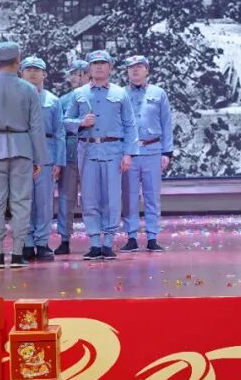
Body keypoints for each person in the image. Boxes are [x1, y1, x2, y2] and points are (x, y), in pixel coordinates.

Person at [0, 41, 48, 270]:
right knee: (21, 202)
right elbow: (36, 127)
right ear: (17, 61)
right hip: (22, 148)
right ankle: (17, 254)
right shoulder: (28, 89)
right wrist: (39, 158)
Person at [64, 50, 137, 261]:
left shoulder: (120, 93)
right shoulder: (79, 94)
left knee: (112, 198)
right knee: (89, 197)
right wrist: (80, 123)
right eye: (94, 63)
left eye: (103, 63)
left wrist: (129, 154)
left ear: (110, 67)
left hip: (113, 149)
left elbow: (130, 124)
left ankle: (108, 242)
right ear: (89, 68)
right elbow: (65, 121)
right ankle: (95, 242)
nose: (98, 67)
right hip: (87, 149)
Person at [120, 55, 173, 253]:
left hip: (153, 150)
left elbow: (166, 123)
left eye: (139, 67)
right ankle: (131, 237)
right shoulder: (120, 94)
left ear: (147, 70)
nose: (135, 70)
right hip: (130, 153)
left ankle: (152, 237)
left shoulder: (159, 93)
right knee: (129, 196)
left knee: (152, 195)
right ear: (127, 71)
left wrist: (167, 152)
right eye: (131, 67)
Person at [20, 56, 65, 262]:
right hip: (22, 154)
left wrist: (59, 161)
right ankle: (27, 242)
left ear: (44, 74)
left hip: (46, 154)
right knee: (23, 201)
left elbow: (59, 132)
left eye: (36, 70)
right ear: (21, 73)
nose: (32, 73)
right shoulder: (15, 98)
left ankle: (42, 242)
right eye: (28, 69)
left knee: (44, 202)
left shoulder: (53, 100)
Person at [55, 59, 90, 255]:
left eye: (81, 73)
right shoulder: (61, 101)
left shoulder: (94, 97)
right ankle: (64, 238)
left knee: (93, 199)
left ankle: (98, 237)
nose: (77, 77)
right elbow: (59, 131)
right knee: (66, 199)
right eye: (74, 74)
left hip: (91, 153)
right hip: (69, 154)